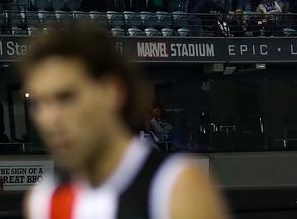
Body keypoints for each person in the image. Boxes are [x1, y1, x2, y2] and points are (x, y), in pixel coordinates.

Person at [22, 26, 229, 219]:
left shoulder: (176, 186)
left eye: (66, 97)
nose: (49, 119)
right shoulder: (44, 199)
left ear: (112, 92)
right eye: (37, 103)